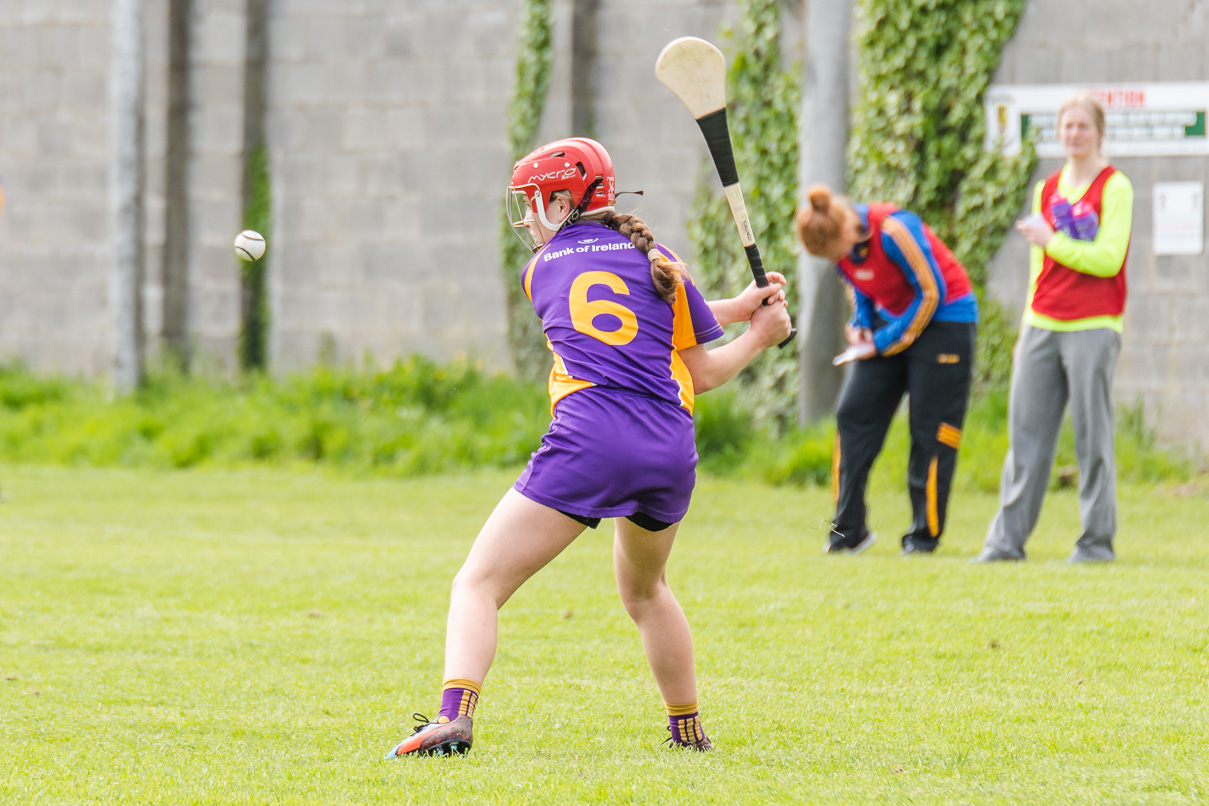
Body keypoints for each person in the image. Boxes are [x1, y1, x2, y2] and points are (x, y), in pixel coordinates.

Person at [384, 137, 793, 757]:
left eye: (532, 203)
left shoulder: (540, 269)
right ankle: (688, 733)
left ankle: (454, 716)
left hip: (590, 440)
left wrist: (742, 315)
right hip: (668, 448)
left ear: (564, 202)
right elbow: (700, 369)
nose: (525, 218)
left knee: (478, 583)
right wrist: (756, 328)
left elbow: (608, 302)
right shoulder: (660, 260)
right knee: (648, 591)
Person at [978, 94, 1133, 563]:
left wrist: (1054, 240)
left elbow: (1108, 259)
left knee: (1093, 439)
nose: (1074, 135)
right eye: (1067, 127)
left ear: (1098, 132)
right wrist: (1027, 327)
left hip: (1094, 326)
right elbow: (1037, 268)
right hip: (1042, 323)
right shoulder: (1046, 189)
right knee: (1025, 438)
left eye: (1083, 126)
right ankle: (1005, 544)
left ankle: (1095, 545)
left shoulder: (1116, 187)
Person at [796, 184, 978, 556]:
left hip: (945, 322)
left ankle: (922, 538)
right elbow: (857, 284)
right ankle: (849, 532)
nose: (839, 260)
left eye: (837, 252)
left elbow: (931, 292)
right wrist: (862, 322)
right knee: (853, 413)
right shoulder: (838, 245)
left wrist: (882, 342)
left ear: (848, 232)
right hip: (890, 322)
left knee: (929, 429)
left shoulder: (895, 230)